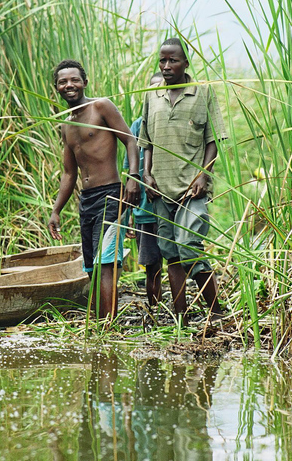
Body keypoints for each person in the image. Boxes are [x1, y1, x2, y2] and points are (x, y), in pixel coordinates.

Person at [138, 38, 226, 324]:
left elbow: (213, 140)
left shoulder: (202, 93)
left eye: (172, 60)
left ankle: (216, 312)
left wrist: (203, 173)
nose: (166, 66)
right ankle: (181, 317)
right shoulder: (152, 93)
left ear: (186, 63)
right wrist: (146, 174)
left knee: (189, 246)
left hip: (192, 188)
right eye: (162, 61)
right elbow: (146, 141)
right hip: (160, 188)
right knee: (170, 252)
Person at [47, 59, 140, 318]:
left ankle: (107, 325)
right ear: (56, 88)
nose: (69, 85)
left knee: (105, 261)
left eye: (74, 80)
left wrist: (133, 177)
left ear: (84, 82)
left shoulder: (101, 107)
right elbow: (69, 173)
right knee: (91, 265)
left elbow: (130, 140)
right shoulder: (66, 125)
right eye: (63, 82)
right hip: (86, 200)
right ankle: (100, 321)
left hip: (110, 194)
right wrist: (56, 210)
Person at [124, 73, 164, 307]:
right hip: (144, 212)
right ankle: (155, 313)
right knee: (152, 268)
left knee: (179, 261)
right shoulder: (138, 126)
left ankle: (181, 315)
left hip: (170, 208)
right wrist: (128, 214)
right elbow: (130, 172)